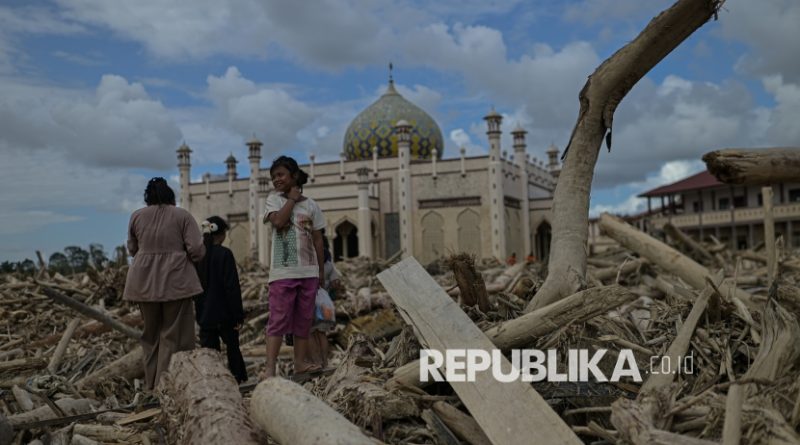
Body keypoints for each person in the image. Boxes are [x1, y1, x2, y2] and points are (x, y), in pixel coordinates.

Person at [123, 177, 204, 390]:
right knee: (172, 336)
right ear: (170, 195)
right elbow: (196, 249)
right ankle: (165, 387)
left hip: (142, 283)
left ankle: (151, 386)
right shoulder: (182, 216)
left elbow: (132, 249)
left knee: (150, 337)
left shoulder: (137, 216)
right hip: (176, 282)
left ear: (147, 197)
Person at [262, 156, 326, 378]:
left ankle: (300, 363)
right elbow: (279, 222)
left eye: (280, 175)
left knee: (303, 320)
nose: (276, 180)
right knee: (278, 319)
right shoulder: (273, 200)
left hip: (308, 272)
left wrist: (320, 271)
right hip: (283, 272)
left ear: (294, 176)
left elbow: (318, 239)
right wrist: (291, 199)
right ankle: (270, 368)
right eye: (273, 177)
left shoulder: (311, 205)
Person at [194, 216, 248, 383]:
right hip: (225, 314)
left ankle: (214, 383)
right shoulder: (225, 254)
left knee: (210, 354)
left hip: (205, 315)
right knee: (233, 349)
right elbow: (232, 287)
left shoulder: (198, 257)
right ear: (222, 234)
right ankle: (239, 380)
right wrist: (238, 315)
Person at [307, 235, 342, 368]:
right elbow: (336, 283)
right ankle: (325, 362)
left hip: (311, 303)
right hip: (326, 304)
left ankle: (316, 362)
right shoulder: (328, 263)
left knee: (310, 333)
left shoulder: (310, 259)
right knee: (322, 333)